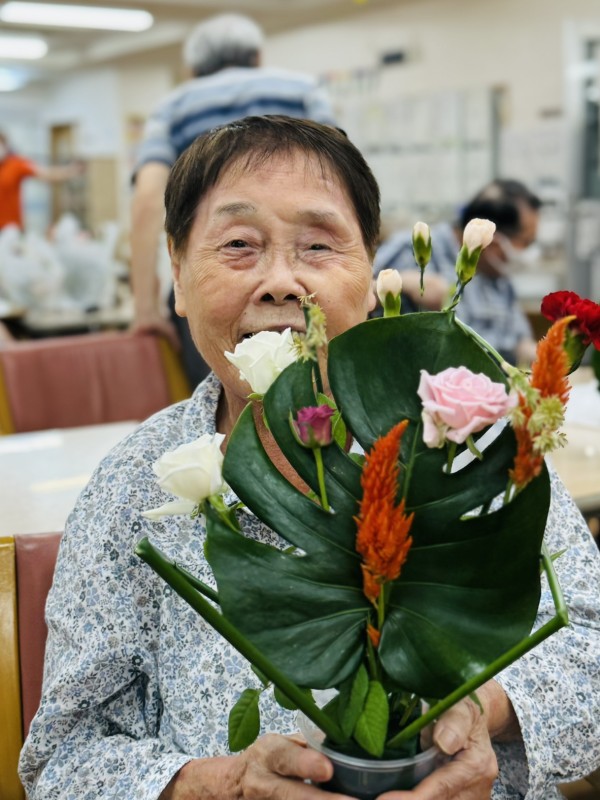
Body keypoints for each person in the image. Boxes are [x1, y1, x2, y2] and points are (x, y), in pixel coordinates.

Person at [20, 117, 600, 800]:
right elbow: (64, 760)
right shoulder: (134, 481)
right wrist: (227, 786)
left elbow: (590, 652)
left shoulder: (462, 434)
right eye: (238, 245)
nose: (281, 282)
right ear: (176, 273)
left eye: (318, 246)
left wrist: (483, 709)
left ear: (370, 274)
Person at [130, 12, 336, 389]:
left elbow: (147, 201)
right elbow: (343, 185)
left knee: (226, 401)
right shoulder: (304, 90)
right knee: (319, 398)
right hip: (305, 272)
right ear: (257, 56)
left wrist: (144, 308)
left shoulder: (173, 107)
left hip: (219, 279)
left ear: (193, 69)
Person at [373, 180, 542, 366]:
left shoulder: (498, 274)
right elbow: (362, 301)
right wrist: (404, 283)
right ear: (494, 242)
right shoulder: (413, 248)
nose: (529, 252)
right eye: (526, 242)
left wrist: (542, 355)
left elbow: (520, 340)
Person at [0, 130, 83, 231]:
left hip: (10, 227)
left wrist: (70, 171)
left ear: (5, 145)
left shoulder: (16, 164)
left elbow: (45, 174)